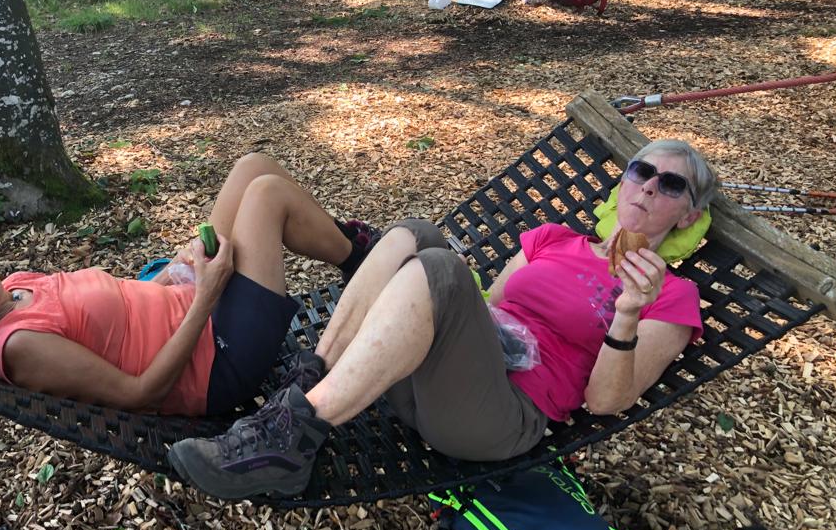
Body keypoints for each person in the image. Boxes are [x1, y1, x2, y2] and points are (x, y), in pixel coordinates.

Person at [168, 140, 720, 500]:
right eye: (642, 171)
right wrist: (439, 296)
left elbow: (605, 401)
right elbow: (493, 307)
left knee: (441, 268)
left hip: (496, 416)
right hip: (430, 379)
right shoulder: (554, 239)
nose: (650, 186)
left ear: (688, 216)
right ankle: (311, 377)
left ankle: (289, 438)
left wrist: (627, 313)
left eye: (671, 185)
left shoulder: (672, 296)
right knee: (418, 233)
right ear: (624, 182)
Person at [0, 154, 379, 416]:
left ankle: (355, 251)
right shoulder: (18, 345)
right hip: (216, 363)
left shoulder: (16, 284)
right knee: (265, 195)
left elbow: (121, 312)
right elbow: (139, 392)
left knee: (251, 167)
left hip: (191, 304)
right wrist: (205, 295)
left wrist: (178, 273)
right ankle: (360, 258)